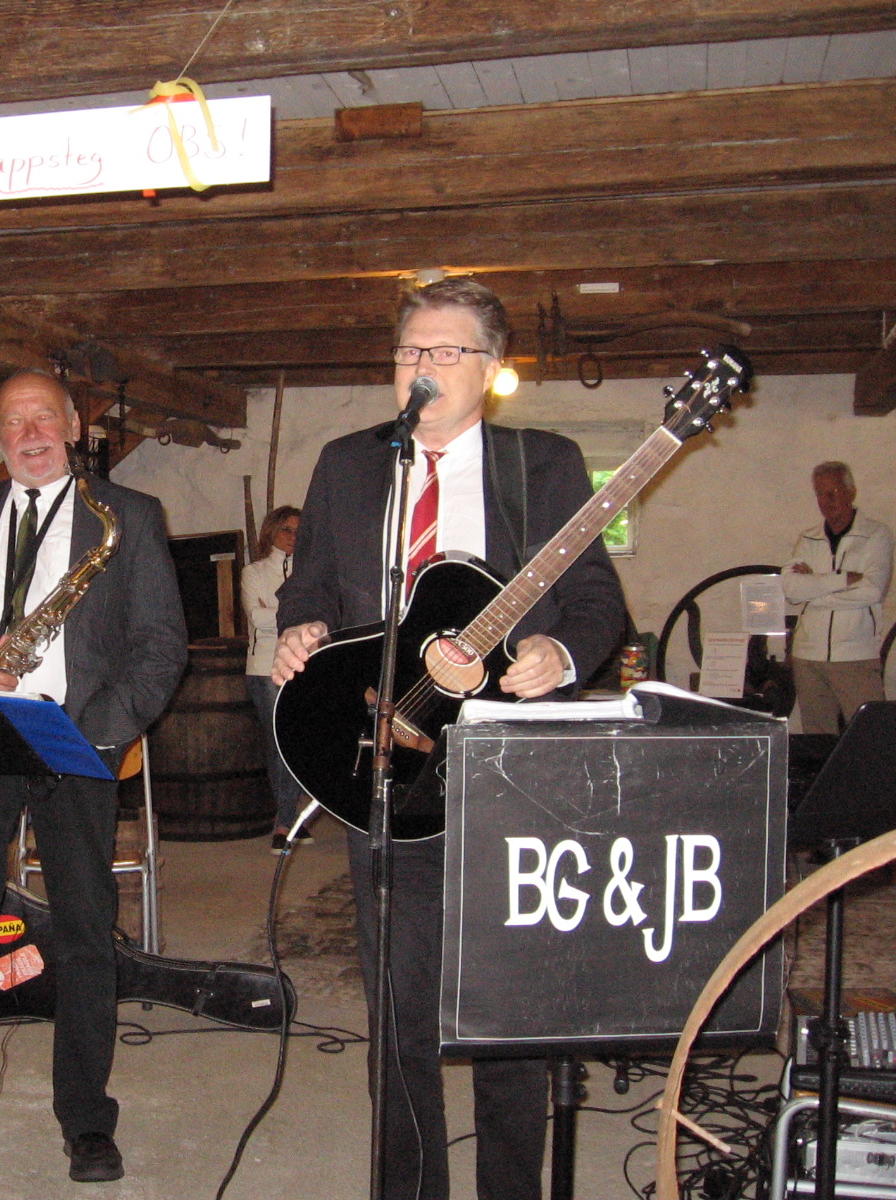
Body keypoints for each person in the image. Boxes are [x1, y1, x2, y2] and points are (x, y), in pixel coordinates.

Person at [272, 277, 626, 1200]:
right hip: (385, 762)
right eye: (408, 352)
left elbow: (598, 602)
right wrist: (300, 627)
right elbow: (309, 586)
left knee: (512, 1001)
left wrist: (557, 651)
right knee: (399, 1009)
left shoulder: (542, 464)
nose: (420, 368)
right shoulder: (348, 464)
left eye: (443, 351)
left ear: (492, 368)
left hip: (514, 768)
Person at [0, 370, 188, 1182]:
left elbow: (161, 646)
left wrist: (97, 735)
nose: (28, 434)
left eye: (43, 418)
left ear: (72, 426)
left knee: (85, 932)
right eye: (12, 421)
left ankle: (87, 1119)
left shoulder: (129, 517)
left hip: (75, 739)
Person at [782, 460, 893, 735]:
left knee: (868, 736)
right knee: (817, 739)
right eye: (820, 494)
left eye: (833, 492)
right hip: (808, 657)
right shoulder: (808, 539)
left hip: (855, 656)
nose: (826, 501)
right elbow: (792, 590)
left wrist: (814, 590)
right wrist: (842, 580)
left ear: (851, 491)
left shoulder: (875, 535)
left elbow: (872, 591)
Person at [242, 505, 310, 852]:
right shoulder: (253, 571)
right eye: (286, 530)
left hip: (305, 664)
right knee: (279, 745)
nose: (293, 538)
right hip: (265, 668)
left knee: (300, 742)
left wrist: (276, 613)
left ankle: (292, 813)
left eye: (299, 531)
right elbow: (257, 618)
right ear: (271, 531)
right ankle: (285, 821)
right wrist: (299, 618)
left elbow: (323, 614)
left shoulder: (309, 572)